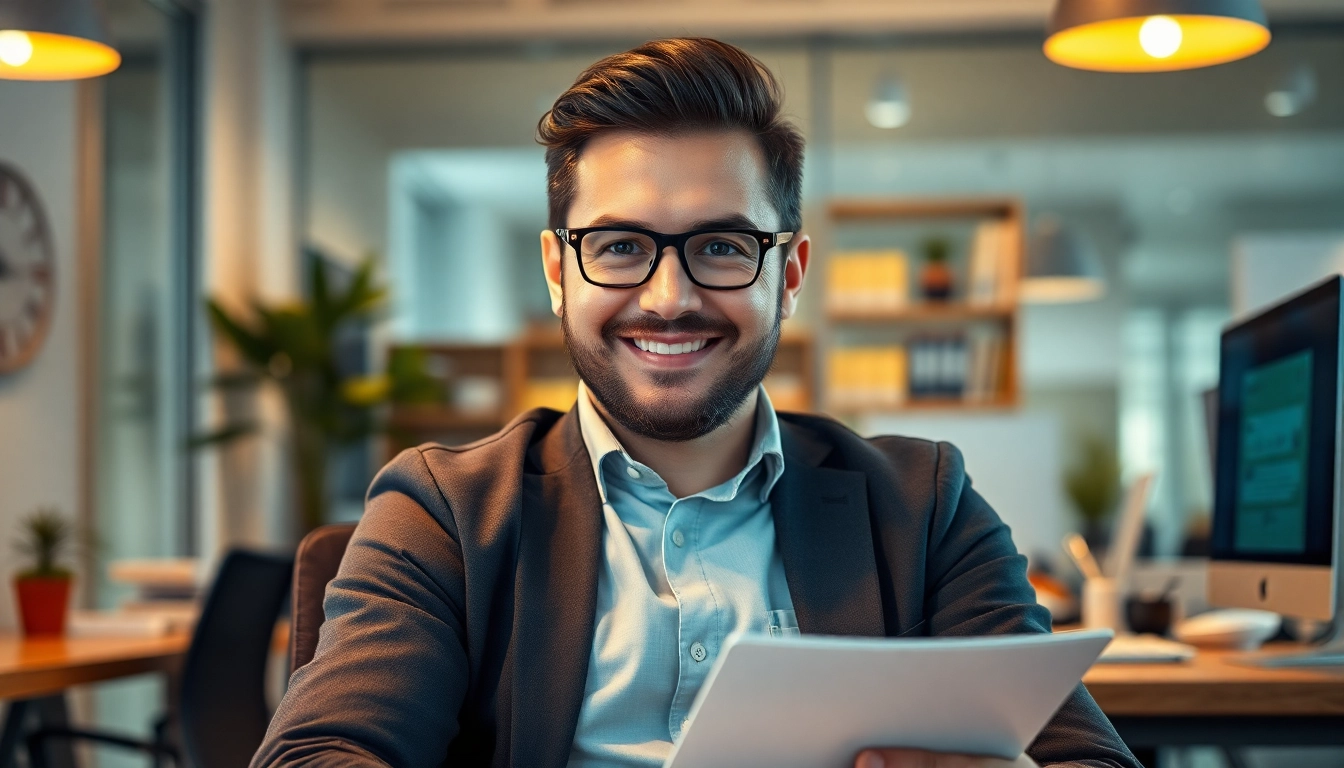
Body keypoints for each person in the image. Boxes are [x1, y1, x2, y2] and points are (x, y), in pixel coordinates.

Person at [253, 38, 1140, 768]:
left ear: (787, 276)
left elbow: (1086, 759)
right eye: (620, 244)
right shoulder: (443, 511)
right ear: (559, 272)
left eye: (721, 245)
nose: (669, 296)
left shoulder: (922, 504)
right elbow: (319, 754)